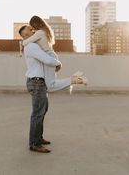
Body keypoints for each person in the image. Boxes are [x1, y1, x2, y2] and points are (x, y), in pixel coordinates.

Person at [19, 25, 86, 153]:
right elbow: (46, 60)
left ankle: (38, 138)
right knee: (38, 113)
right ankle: (34, 143)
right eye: (26, 35)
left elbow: (45, 59)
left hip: (39, 82)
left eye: (30, 32)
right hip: (37, 82)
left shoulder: (36, 44)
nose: (29, 35)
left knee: (42, 111)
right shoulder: (31, 46)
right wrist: (58, 63)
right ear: (24, 37)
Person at [22, 15, 87, 91]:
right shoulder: (44, 31)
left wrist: (27, 34)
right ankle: (74, 80)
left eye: (31, 25)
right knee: (50, 85)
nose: (31, 28)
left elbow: (25, 42)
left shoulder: (39, 32)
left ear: (34, 24)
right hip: (50, 55)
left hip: (49, 56)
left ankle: (75, 80)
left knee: (51, 85)